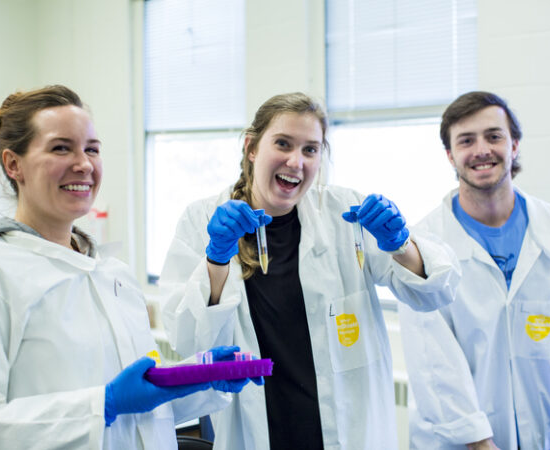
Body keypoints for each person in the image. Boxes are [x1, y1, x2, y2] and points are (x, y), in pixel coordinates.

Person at [160, 92, 460, 449]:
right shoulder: (203, 220)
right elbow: (188, 337)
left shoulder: (346, 214)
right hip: (259, 428)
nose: (295, 162)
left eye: (310, 150)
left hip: (348, 430)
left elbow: (436, 292)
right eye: (283, 144)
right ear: (251, 147)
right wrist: (217, 259)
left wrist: (401, 242)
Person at [0, 85, 256, 449]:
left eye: (92, 149)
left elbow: (144, 410)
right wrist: (102, 404)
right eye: (61, 148)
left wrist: (196, 378)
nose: (84, 164)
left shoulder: (112, 275)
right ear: (13, 164)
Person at [398, 91, 550, 449]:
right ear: (450, 155)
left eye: (494, 136)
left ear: (515, 145)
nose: (481, 150)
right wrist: (479, 443)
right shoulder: (423, 246)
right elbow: (434, 364)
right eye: (466, 140)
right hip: (460, 442)